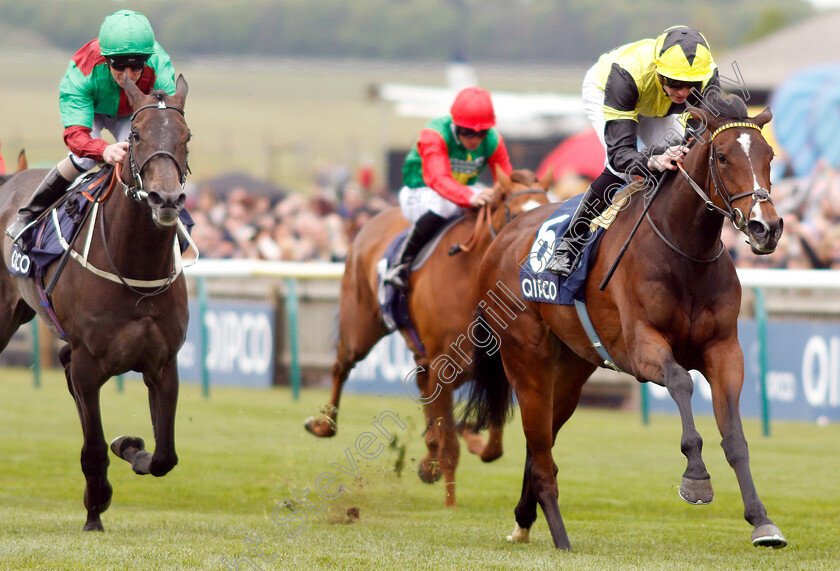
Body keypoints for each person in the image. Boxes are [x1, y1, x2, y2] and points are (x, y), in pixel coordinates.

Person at [545, 26, 721, 276]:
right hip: (611, 91)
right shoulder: (625, 75)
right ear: (660, 74)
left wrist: (672, 154)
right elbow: (620, 155)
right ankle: (569, 244)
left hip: (659, 103)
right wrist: (653, 160)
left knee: (682, 160)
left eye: (691, 85)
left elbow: (696, 139)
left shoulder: (708, 75)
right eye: (676, 83)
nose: (683, 92)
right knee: (621, 172)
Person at [6, 9, 176, 248]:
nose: (128, 76)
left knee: (146, 154)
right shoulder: (82, 71)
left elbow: (165, 123)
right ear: (106, 60)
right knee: (83, 160)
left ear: (146, 60)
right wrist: (103, 150)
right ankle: (29, 214)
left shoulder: (159, 66)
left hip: (132, 112)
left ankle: (174, 216)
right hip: (92, 110)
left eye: (136, 67)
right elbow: (76, 136)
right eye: (119, 67)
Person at [383, 86, 513, 290]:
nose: (475, 140)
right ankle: (400, 264)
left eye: (482, 133)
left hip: (460, 191)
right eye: (468, 132)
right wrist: (469, 196)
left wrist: (498, 194)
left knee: (495, 201)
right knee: (445, 205)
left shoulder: (493, 140)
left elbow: (505, 180)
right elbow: (438, 179)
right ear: (456, 124)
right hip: (421, 191)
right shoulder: (434, 135)